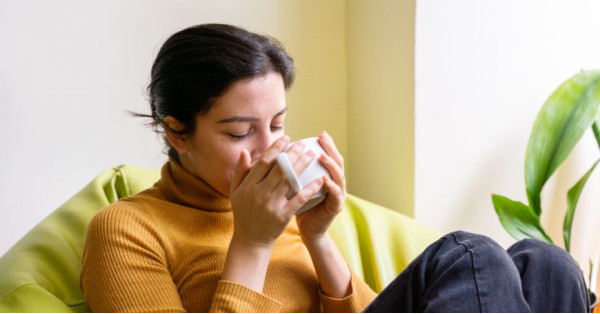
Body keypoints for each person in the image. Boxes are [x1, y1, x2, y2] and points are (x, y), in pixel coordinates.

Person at [80, 23, 591, 313]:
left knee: (546, 263)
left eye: (277, 125)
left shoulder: (283, 215)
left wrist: (318, 237)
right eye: (240, 132)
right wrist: (252, 244)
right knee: (469, 254)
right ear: (176, 132)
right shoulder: (126, 229)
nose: (267, 149)